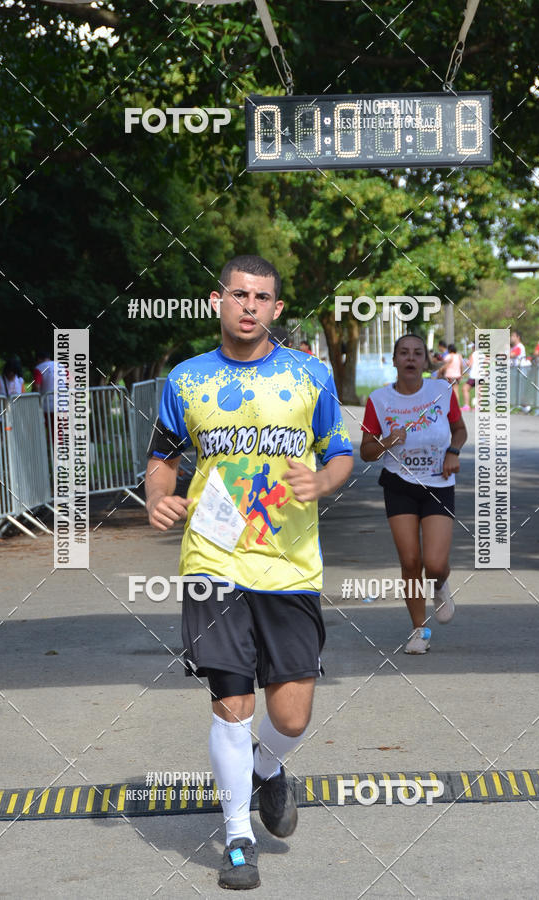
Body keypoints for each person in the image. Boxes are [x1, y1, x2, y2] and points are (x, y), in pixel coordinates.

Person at [144, 255, 353, 891]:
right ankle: (238, 838)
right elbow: (162, 458)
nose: (249, 306)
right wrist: (158, 496)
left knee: (290, 718)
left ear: (277, 309)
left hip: (289, 564)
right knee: (231, 706)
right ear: (218, 300)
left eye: (262, 297)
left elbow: (340, 452)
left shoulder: (309, 376)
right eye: (239, 294)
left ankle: (267, 767)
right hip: (214, 559)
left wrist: (322, 480)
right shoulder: (187, 381)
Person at [360, 334, 467, 654]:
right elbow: (366, 452)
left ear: (425, 361)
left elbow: (460, 429)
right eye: (404, 353)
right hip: (399, 484)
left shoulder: (441, 391)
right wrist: (387, 441)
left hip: (438, 483)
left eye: (417, 353)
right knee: (410, 561)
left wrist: (453, 451)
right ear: (394, 361)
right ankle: (419, 630)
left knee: (434, 564)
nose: (410, 358)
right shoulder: (379, 400)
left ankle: (439, 583)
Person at [32, 351, 56, 435]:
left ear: (38, 359)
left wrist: (36, 401)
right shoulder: (61, 366)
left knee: (47, 429)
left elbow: (37, 386)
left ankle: (51, 446)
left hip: (47, 405)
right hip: (63, 404)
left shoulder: (39, 368)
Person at [461, 346, 483, 411]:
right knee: (479, 391)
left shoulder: (473, 354)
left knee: (464, 389)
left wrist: (466, 362)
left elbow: (470, 365)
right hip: (481, 375)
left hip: (474, 376)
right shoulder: (482, 354)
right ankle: (478, 406)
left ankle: (467, 405)